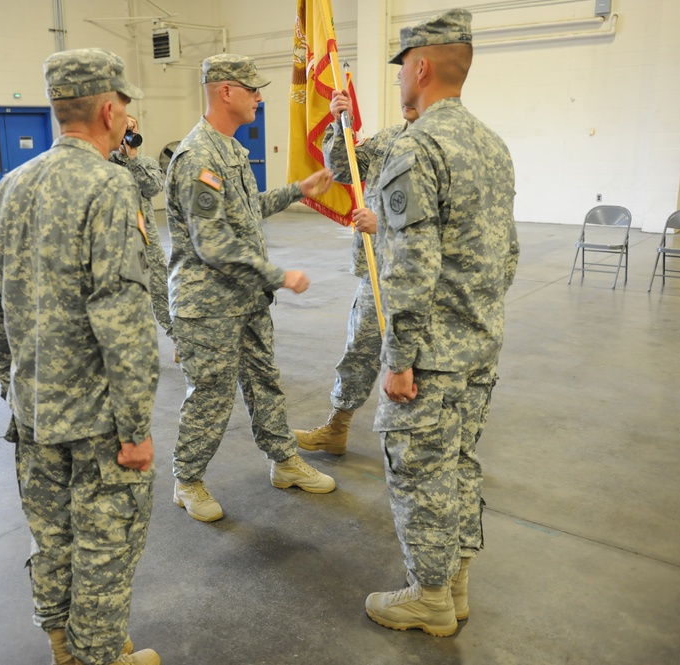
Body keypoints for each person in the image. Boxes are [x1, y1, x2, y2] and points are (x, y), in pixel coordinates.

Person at [0, 48, 160, 665]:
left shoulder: (7, 188)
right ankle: (102, 657)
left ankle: (65, 649)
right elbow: (123, 318)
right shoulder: (110, 186)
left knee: (53, 539)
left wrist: (16, 385)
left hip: (33, 413)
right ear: (109, 109)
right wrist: (134, 426)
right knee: (106, 546)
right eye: (125, 106)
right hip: (99, 421)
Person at [363, 9, 519, 637]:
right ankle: (454, 583)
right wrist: (477, 315)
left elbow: (409, 266)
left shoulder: (418, 146)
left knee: (421, 474)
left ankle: (429, 598)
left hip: (430, 355)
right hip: (480, 343)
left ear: (421, 66)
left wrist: (398, 358)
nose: (401, 79)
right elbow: (507, 252)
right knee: (458, 464)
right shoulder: (492, 144)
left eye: (402, 68)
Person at [166, 53, 337, 523]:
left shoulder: (232, 150)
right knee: (211, 395)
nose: (260, 97)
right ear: (226, 91)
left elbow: (245, 210)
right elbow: (212, 241)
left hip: (246, 300)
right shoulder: (197, 156)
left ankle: (284, 462)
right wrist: (278, 275)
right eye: (253, 90)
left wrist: (299, 189)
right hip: (207, 305)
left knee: (265, 383)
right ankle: (187, 481)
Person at [292, 93, 417, 455]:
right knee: (359, 349)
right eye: (401, 91)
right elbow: (344, 168)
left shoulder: (443, 147)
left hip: (417, 274)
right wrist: (339, 123)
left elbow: (449, 224)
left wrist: (386, 226)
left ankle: (417, 441)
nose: (405, 98)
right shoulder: (388, 139)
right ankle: (337, 427)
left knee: (415, 359)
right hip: (377, 269)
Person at [109, 115, 174, 348]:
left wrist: (133, 160)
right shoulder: (103, 162)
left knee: (161, 290)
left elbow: (154, 187)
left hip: (147, 241)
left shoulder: (145, 163)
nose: (130, 132)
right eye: (125, 128)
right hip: (116, 243)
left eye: (133, 127)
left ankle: (176, 337)